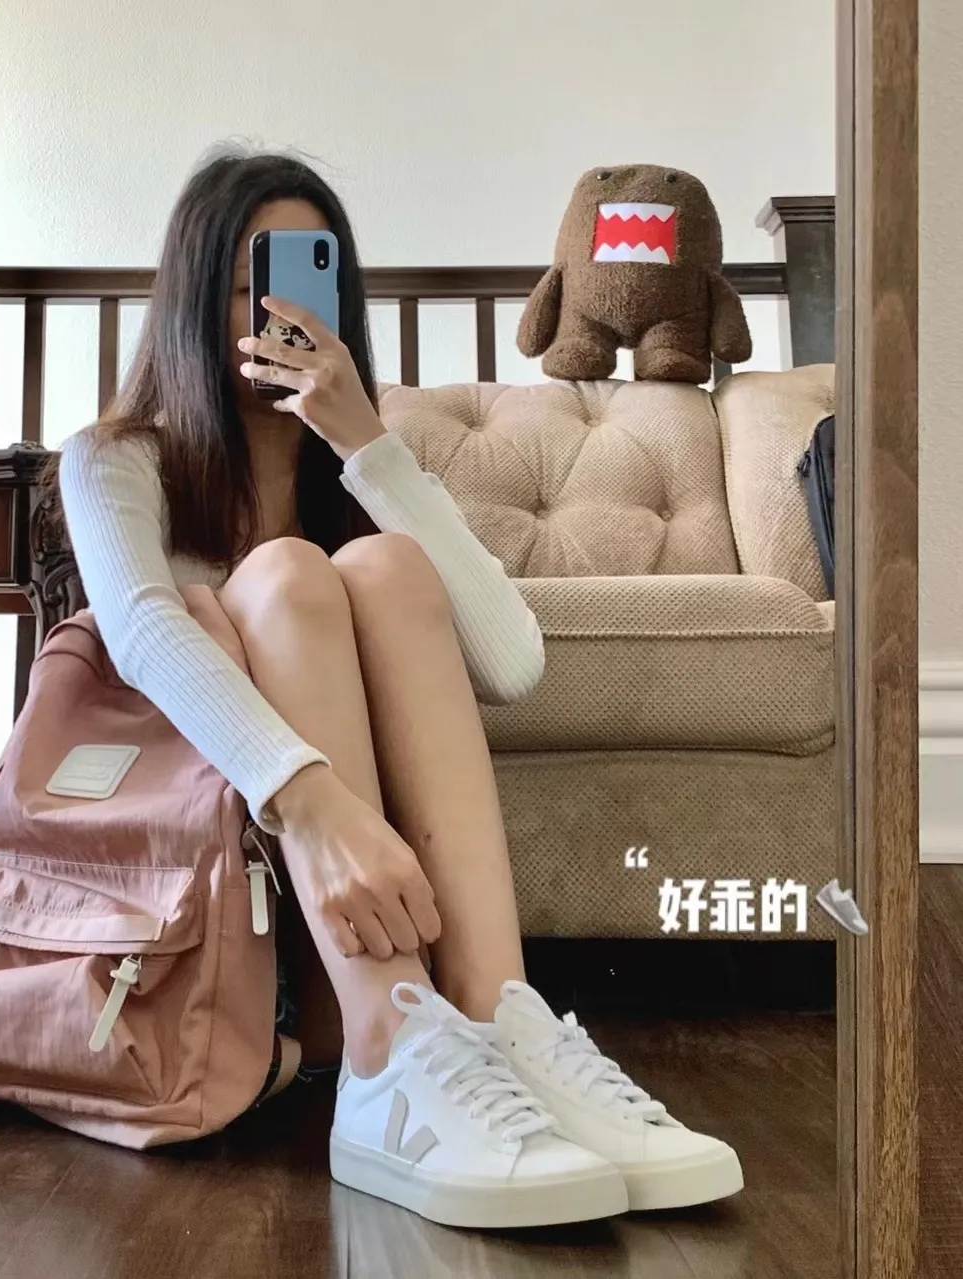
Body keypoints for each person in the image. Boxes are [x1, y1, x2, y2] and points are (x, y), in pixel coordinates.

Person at [59, 147, 742, 1228]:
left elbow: (511, 661)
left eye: (307, 277)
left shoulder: (363, 465)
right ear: (191, 300)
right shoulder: (115, 459)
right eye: (244, 284)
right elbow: (143, 634)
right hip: (228, 912)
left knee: (379, 565)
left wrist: (367, 444)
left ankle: (505, 1025)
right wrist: (313, 803)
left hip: (380, 920)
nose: (278, 311)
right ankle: (387, 1056)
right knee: (286, 576)